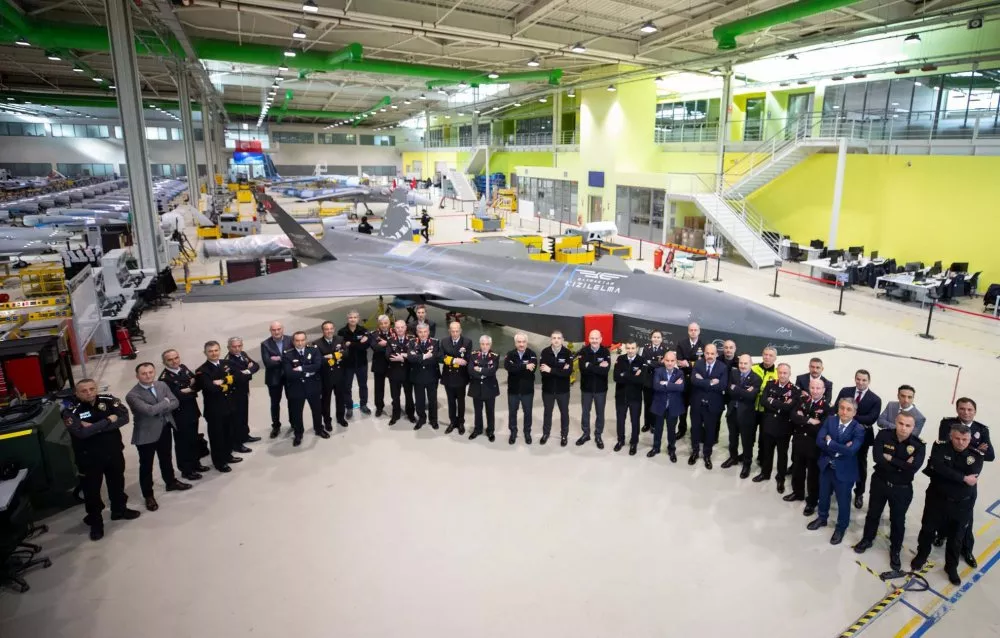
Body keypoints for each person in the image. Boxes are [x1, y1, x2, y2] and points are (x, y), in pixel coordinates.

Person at [61, 379, 140, 541]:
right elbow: (81, 433)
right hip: (89, 459)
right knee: (92, 492)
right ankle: (96, 522)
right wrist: (108, 420)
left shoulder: (108, 400)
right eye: (84, 391)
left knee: (117, 483)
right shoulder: (71, 410)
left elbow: (124, 418)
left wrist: (93, 427)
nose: (89, 393)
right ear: (76, 393)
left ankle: (119, 510)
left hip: (113, 452)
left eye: (92, 389)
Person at [911, 423, 984, 585]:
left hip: (961, 505)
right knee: (927, 530)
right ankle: (921, 556)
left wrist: (946, 473)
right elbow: (937, 466)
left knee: (956, 538)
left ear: (970, 439)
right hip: (936, 500)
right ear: (951, 436)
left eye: (965, 439)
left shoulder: (976, 455)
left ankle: (951, 567)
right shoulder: (940, 446)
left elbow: (944, 471)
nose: (961, 442)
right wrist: (963, 478)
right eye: (957, 438)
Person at [853, 412, 926, 572]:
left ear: (913, 427)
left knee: (898, 521)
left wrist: (891, 459)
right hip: (880, 483)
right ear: (895, 422)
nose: (903, 428)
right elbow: (878, 458)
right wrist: (901, 465)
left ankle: (895, 550)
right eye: (901, 423)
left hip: (902, 489)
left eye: (908, 425)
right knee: (873, 514)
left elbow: (912, 468)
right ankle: (867, 539)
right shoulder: (883, 435)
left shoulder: (919, 445)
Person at [126, 363, 191, 512]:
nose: (148, 375)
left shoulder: (161, 385)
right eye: (144, 373)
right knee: (146, 465)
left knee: (166, 457)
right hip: (146, 434)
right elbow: (149, 411)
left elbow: (175, 402)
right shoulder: (132, 395)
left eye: (150, 372)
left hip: (164, 428)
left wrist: (161, 406)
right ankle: (148, 495)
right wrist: (165, 403)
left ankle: (171, 482)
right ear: (137, 376)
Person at [936, 398, 993, 567]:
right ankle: (942, 534)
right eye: (962, 408)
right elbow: (944, 447)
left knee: (966, 519)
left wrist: (968, 448)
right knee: (942, 510)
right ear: (957, 409)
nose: (966, 412)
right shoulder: (947, 424)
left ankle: (966, 549)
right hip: (948, 476)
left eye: (969, 409)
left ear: (975, 411)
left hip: (967, 482)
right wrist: (975, 448)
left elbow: (990, 455)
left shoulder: (981, 430)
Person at [808, 398, 866, 545]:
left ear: (854, 412)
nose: (844, 412)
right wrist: (841, 448)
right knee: (823, 495)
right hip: (827, 466)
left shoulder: (858, 429)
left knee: (843, 501)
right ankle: (822, 518)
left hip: (845, 471)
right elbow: (819, 441)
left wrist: (830, 442)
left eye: (848, 409)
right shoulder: (830, 420)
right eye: (842, 408)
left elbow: (851, 451)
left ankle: (841, 528)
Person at [835, 369, 882, 509]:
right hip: (842, 433)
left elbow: (871, 419)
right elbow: (837, 408)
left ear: (869, 381)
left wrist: (848, 416)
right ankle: (839, 487)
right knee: (840, 460)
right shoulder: (845, 391)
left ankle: (859, 493)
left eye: (864, 380)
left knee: (860, 465)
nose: (860, 382)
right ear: (855, 379)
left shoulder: (875, 399)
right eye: (858, 379)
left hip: (862, 437)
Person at [159, 349, 209, 480]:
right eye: (170, 360)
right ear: (164, 362)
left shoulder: (183, 368)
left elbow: (197, 384)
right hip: (179, 415)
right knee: (183, 443)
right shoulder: (164, 379)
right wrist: (190, 388)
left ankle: (196, 463)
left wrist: (189, 389)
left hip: (192, 410)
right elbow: (176, 397)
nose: (174, 361)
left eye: (176, 358)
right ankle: (186, 470)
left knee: (194, 439)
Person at [195, 341, 243, 472]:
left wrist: (224, 381)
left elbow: (239, 376)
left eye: (216, 350)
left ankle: (228, 455)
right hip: (215, 410)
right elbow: (210, 388)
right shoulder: (202, 371)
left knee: (228, 433)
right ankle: (219, 462)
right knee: (217, 437)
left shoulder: (226, 363)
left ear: (220, 350)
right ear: (205, 353)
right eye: (210, 351)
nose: (214, 353)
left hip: (229, 405)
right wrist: (229, 384)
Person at [787, 378, 831, 514]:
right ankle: (797, 493)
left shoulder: (827, 408)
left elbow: (821, 428)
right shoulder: (802, 400)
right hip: (799, 441)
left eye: (818, 388)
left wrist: (802, 419)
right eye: (812, 388)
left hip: (814, 446)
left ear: (824, 390)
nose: (815, 391)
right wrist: (809, 420)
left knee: (813, 475)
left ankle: (812, 501)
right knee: (797, 470)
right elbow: (793, 416)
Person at [754, 363, 797, 490]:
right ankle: (765, 473)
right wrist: (780, 406)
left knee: (782, 455)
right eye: (780, 372)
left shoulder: (795, 390)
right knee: (767, 452)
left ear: (789, 374)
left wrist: (772, 401)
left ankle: (780, 478)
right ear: (777, 372)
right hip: (768, 424)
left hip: (784, 428)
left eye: (785, 373)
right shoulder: (770, 384)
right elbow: (763, 401)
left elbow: (788, 408)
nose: (782, 375)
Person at [282, 331, 326, 446]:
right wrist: (308, 372)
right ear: (293, 341)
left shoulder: (313, 350)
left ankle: (319, 429)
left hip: (313, 386)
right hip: (296, 388)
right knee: (297, 413)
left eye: (302, 340)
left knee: (317, 410)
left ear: (306, 340)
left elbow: (317, 365)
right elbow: (289, 373)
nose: (300, 343)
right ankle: (298, 433)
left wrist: (301, 369)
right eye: (297, 340)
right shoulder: (287, 354)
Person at [722, 353, 761, 477]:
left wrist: (737, 388)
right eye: (741, 363)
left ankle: (747, 464)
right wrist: (743, 391)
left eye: (745, 363)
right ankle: (733, 458)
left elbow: (751, 396)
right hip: (732, 412)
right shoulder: (733, 373)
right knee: (732, 439)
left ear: (751, 364)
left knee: (746, 441)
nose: (742, 366)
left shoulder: (756, 378)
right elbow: (729, 391)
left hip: (746, 415)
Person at [689, 343, 727, 468]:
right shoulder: (698, 364)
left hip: (713, 405)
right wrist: (711, 382)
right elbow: (694, 381)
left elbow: (722, 385)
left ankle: (707, 455)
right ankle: (695, 452)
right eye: (707, 353)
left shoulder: (723, 367)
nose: (709, 356)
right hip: (697, 403)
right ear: (704, 353)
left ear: (716, 354)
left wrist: (702, 381)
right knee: (695, 429)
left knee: (710, 431)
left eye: (712, 353)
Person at [225, 337, 261, 452]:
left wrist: (247, 371)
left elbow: (256, 365)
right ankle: (237, 442)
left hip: (244, 390)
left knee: (244, 414)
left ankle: (245, 435)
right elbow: (239, 377)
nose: (237, 349)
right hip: (235, 393)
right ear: (228, 347)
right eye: (234, 347)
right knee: (237, 418)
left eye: (239, 346)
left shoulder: (243, 354)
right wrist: (248, 370)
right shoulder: (229, 361)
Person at [649, 350, 685, 462]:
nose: (669, 363)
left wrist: (665, 384)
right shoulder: (658, 371)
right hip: (659, 405)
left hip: (673, 406)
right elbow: (656, 386)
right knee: (658, 429)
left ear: (675, 361)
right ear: (663, 360)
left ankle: (671, 449)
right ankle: (656, 447)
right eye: (667, 360)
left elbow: (681, 388)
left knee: (671, 429)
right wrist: (673, 385)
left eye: (672, 361)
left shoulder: (680, 373)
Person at [577, 329, 610, 449]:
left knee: (600, 413)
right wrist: (597, 367)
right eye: (592, 338)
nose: (594, 340)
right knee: (585, 412)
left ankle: (598, 435)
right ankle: (586, 434)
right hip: (586, 389)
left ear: (601, 339)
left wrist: (589, 365)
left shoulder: (605, 351)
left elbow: (605, 371)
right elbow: (582, 369)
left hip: (601, 389)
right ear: (589, 339)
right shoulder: (583, 351)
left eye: (596, 338)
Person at [539, 330, 572, 447]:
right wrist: (560, 370)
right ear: (551, 339)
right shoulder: (545, 352)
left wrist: (551, 370)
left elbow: (568, 373)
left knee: (564, 413)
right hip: (548, 390)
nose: (556, 340)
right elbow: (543, 372)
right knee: (547, 412)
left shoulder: (567, 353)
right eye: (554, 338)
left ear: (562, 340)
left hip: (563, 391)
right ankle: (546, 433)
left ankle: (564, 435)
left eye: (559, 338)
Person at [260, 321, 293, 438]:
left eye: (278, 329)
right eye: (274, 330)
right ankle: (276, 426)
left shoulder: (291, 340)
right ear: (270, 331)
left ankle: (294, 423)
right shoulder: (265, 344)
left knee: (292, 401)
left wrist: (278, 358)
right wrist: (285, 359)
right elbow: (268, 363)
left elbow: (294, 357)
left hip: (289, 376)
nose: (276, 332)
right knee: (275, 403)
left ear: (282, 329)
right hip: (273, 378)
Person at [313, 321, 348, 429]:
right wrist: (336, 356)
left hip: (339, 375)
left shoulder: (340, 339)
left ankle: (341, 418)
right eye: (326, 329)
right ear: (323, 331)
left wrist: (331, 356)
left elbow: (346, 353)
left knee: (341, 398)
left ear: (334, 329)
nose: (329, 331)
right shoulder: (316, 343)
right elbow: (318, 360)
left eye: (331, 328)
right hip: (326, 377)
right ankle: (327, 421)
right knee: (325, 400)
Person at [504, 333, 537, 445]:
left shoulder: (532, 354)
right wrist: (524, 366)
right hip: (513, 390)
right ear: (515, 343)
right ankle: (513, 432)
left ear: (527, 343)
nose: (521, 344)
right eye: (519, 342)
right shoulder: (510, 354)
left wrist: (516, 366)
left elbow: (532, 369)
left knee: (527, 412)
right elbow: (508, 367)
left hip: (527, 391)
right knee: (512, 412)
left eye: (523, 342)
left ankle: (527, 432)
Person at [440, 321, 472, 435]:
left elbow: (467, 359)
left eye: (457, 331)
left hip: (461, 377)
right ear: (449, 331)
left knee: (461, 401)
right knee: (451, 401)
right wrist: (455, 360)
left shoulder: (467, 342)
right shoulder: (444, 341)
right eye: (452, 331)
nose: (454, 333)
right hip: (448, 376)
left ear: (460, 331)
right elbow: (440, 357)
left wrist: (449, 359)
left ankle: (461, 422)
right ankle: (452, 422)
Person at [406, 322, 441, 429]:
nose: (423, 334)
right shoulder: (412, 342)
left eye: (425, 332)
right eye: (420, 332)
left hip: (432, 376)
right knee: (419, 400)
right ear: (417, 332)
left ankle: (433, 420)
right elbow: (410, 358)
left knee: (432, 400)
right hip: (418, 376)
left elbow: (435, 358)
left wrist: (418, 358)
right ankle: (421, 419)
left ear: (429, 332)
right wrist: (425, 356)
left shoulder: (435, 342)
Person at [613, 341, 645, 456]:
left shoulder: (642, 360)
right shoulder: (620, 359)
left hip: (635, 397)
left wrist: (625, 374)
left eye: (632, 348)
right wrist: (633, 375)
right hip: (621, 396)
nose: (630, 351)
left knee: (635, 421)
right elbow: (616, 377)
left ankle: (634, 442)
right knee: (620, 420)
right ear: (625, 348)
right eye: (628, 348)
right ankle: (620, 440)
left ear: (637, 348)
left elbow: (641, 380)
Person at [338, 310, 371, 418]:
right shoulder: (342, 332)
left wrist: (350, 343)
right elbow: (342, 347)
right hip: (347, 365)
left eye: (355, 317)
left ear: (358, 318)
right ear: (347, 319)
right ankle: (349, 407)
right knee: (347, 387)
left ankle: (363, 404)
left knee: (363, 385)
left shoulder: (364, 330)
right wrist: (357, 343)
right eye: (350, 317)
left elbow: (365, 346)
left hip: (362, 364)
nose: (353, 319)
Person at [674, 322, 705, 439]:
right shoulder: (681, 343)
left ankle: (695, 430)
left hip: (697, 381)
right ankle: (681, 429)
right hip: (684, 380)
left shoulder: (704, 345)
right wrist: (694, 363)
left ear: (699, 331)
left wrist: (689, 363)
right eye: (691, 330)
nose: (693, 332)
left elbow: (704, 363)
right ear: (688, 331)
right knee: (682, 407)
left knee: (696, 409)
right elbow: (680, 362)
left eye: (695, 330)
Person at [468, 335, 500, 442]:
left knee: (490, 411)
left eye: (487, 344)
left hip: (489, 388)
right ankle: (477, 429)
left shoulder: (495, 356)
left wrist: (480, 369)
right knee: (478, 411)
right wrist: (483, 373)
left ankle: (490, 431)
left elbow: (492, 371)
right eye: (483, 344)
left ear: (490, 345)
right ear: (480, 344)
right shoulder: (473, 355)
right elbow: (470, 370)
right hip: (476, 387)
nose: (485, 346)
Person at [386, 319, 415, 426]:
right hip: (394, 373)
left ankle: (410, 414)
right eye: (397, 327)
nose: (400, 329)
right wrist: (405, 355)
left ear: (405, 328)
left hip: (408, 372)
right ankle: (395, 415)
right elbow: (388, 355)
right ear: (395, 329)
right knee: (395, 395)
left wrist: (402, 358)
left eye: (402, 327)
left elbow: (414, 355)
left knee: (409, 395)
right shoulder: (390, 340)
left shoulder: (412, 340)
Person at [638, 330, 666, 433]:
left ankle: (654, 425)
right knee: (647, 403)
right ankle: (647, 424)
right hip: (647, 380)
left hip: (659, 380)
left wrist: (651, 363)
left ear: (661, 339)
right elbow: (643, 362)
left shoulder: (665, 350)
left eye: (658, 337)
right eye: (654, 337)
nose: (656, 339)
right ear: (651, 338)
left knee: (656, 403)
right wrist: (658, 363)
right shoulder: (645, 348)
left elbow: (665, 364)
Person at [369, 315, 393, 418]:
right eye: (381, 323)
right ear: (378, 324)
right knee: (379, 388)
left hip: (393, 364)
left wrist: (386, 343)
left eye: (386, 323)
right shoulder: (373, 334)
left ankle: (396, 405)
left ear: (389, 323)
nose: (384, 325)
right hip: (379, 364)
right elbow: (375, 348)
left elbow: (398, 346)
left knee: (394, 387)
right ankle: (379, 407)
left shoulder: (394, 332)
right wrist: (390, 345)